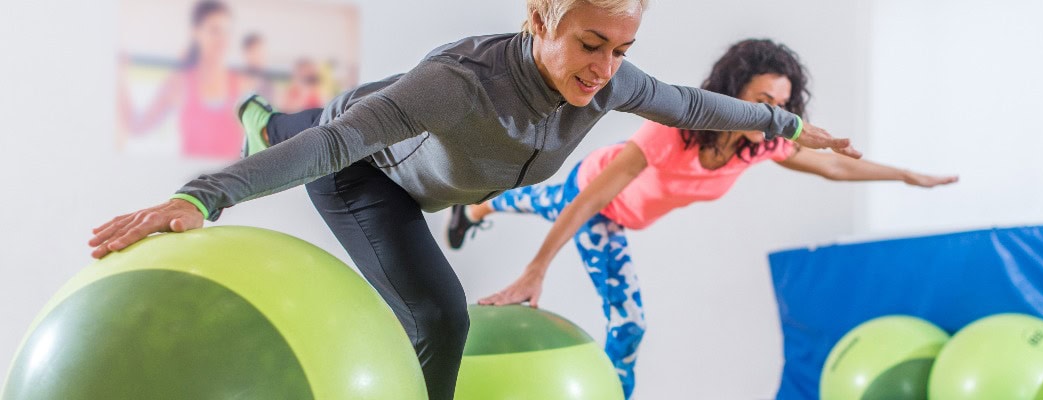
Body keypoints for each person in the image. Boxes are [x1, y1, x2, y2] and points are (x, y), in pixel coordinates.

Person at [90, 2, 858, 398]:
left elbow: (694, 105)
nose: (604, 68)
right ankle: (267, 126)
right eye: (590, 43)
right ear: (537, 22)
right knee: (437, 313)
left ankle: (268, 120)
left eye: (620, 49)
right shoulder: (459, 83)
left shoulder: (612, 83)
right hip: (366, 174)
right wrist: (201, 196)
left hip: (410, 154)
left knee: (329, 120)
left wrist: (786, 124)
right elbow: (332, 150)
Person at [447, 38, 957, 398]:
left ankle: (476, 206)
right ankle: (480, 205)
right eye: (762, 101)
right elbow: (586, 205)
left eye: (782, 103)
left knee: (538, 200)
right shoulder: (669, 133)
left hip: (624, 213)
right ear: (732, 94)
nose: (773, 114)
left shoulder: (759, 148)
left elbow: (831, 168)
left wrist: (906, 176)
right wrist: (535, 272)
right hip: (598, 200)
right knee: (626, 318)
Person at [117, 0, 253, 159]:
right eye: (214, 30)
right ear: (196, 33)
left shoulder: (242, 84)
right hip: (193, 181)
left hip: (234, 182)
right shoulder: (179, 83)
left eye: (226, 31)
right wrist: (120, 75)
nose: (222, 40)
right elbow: (137, 127)